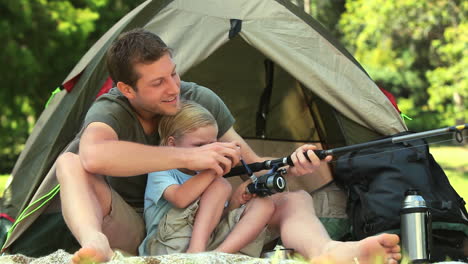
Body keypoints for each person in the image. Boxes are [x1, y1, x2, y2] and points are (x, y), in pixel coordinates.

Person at [55, 28, 401, 264]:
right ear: (127, 89)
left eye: (173, 73)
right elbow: (93, 155)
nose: (174, 88)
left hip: (198, 225)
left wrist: (290, 164)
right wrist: (189, 156)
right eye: (158, 82)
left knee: (293, 198)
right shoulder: (112, 109)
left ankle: (329, 251)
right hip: (133, 227)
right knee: (69, 164)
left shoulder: (198, 99)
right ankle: (95, 244)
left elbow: (252, 166)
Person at [139, 100, 275, 257]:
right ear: (172, 143)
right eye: (199, 145)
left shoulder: (204, 172)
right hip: (168, 243)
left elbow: (211, 221)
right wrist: (214, 171)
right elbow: (180, 198)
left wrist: (235, 202)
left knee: (264, 204)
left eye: (213, 145)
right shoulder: (161, 166)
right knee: (220, 185)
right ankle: (196, 253)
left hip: (207, 243)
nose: (209, 152)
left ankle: (217, 256)